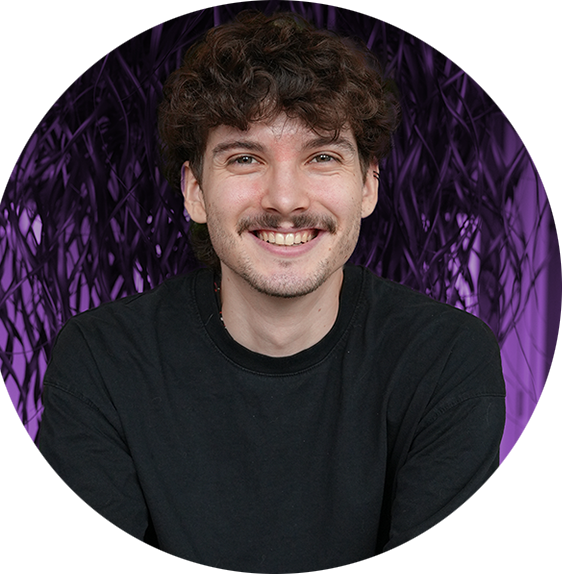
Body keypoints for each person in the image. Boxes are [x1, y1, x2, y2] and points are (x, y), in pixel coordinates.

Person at [39, 10, 505, 574]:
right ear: (194, 191)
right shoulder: (104, 360)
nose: (285, 199)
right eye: (245, 158)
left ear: (368, 185)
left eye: (322, 157)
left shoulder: (444, 359)